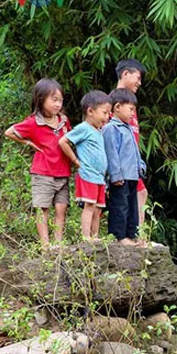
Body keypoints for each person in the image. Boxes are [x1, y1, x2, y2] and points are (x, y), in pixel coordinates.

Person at [4, 78, 72, 246]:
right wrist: (28, 142)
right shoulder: (33, 122)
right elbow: (9, 132)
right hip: (43, 172)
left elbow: (70, 139)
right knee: (43, 209)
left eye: (60, 100)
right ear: (41, 99)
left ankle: (58, 244)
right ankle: (45, 245)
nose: (58, 104)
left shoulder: (63, 120)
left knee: (61, 209)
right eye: (53, 99)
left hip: (63, 172)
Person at [58, 91, 112, 240]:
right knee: (89, 206)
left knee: (98, 208)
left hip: (99, 177)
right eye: (104, 113)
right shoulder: (84, 128)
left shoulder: (98, 131)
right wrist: (75, 160)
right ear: (90, 111)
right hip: (88, 174)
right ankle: (86, 237)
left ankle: (94, 237)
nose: (107, 117)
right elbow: (63, 141)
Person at [102, 88, 145, 246]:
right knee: (120, 206)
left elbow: (135, 151)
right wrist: (116, 175)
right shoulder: (111, 129)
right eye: (131, 109)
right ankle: (119, 236)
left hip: (132, 175)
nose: (133, 113)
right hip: (121, 177)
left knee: (132, 206)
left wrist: (140, 166)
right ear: (118, 107)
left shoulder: (127, 128)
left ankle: (131, 235)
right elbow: (111, 153)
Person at [114, 59, 148, 230]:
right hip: (121, 164)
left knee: (140, 193)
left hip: (132, 162)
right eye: (138, 78)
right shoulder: (113, 102)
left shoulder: (129, 103)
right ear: (125, 74)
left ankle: (137, 235)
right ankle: (133, 235)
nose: (139, 83)